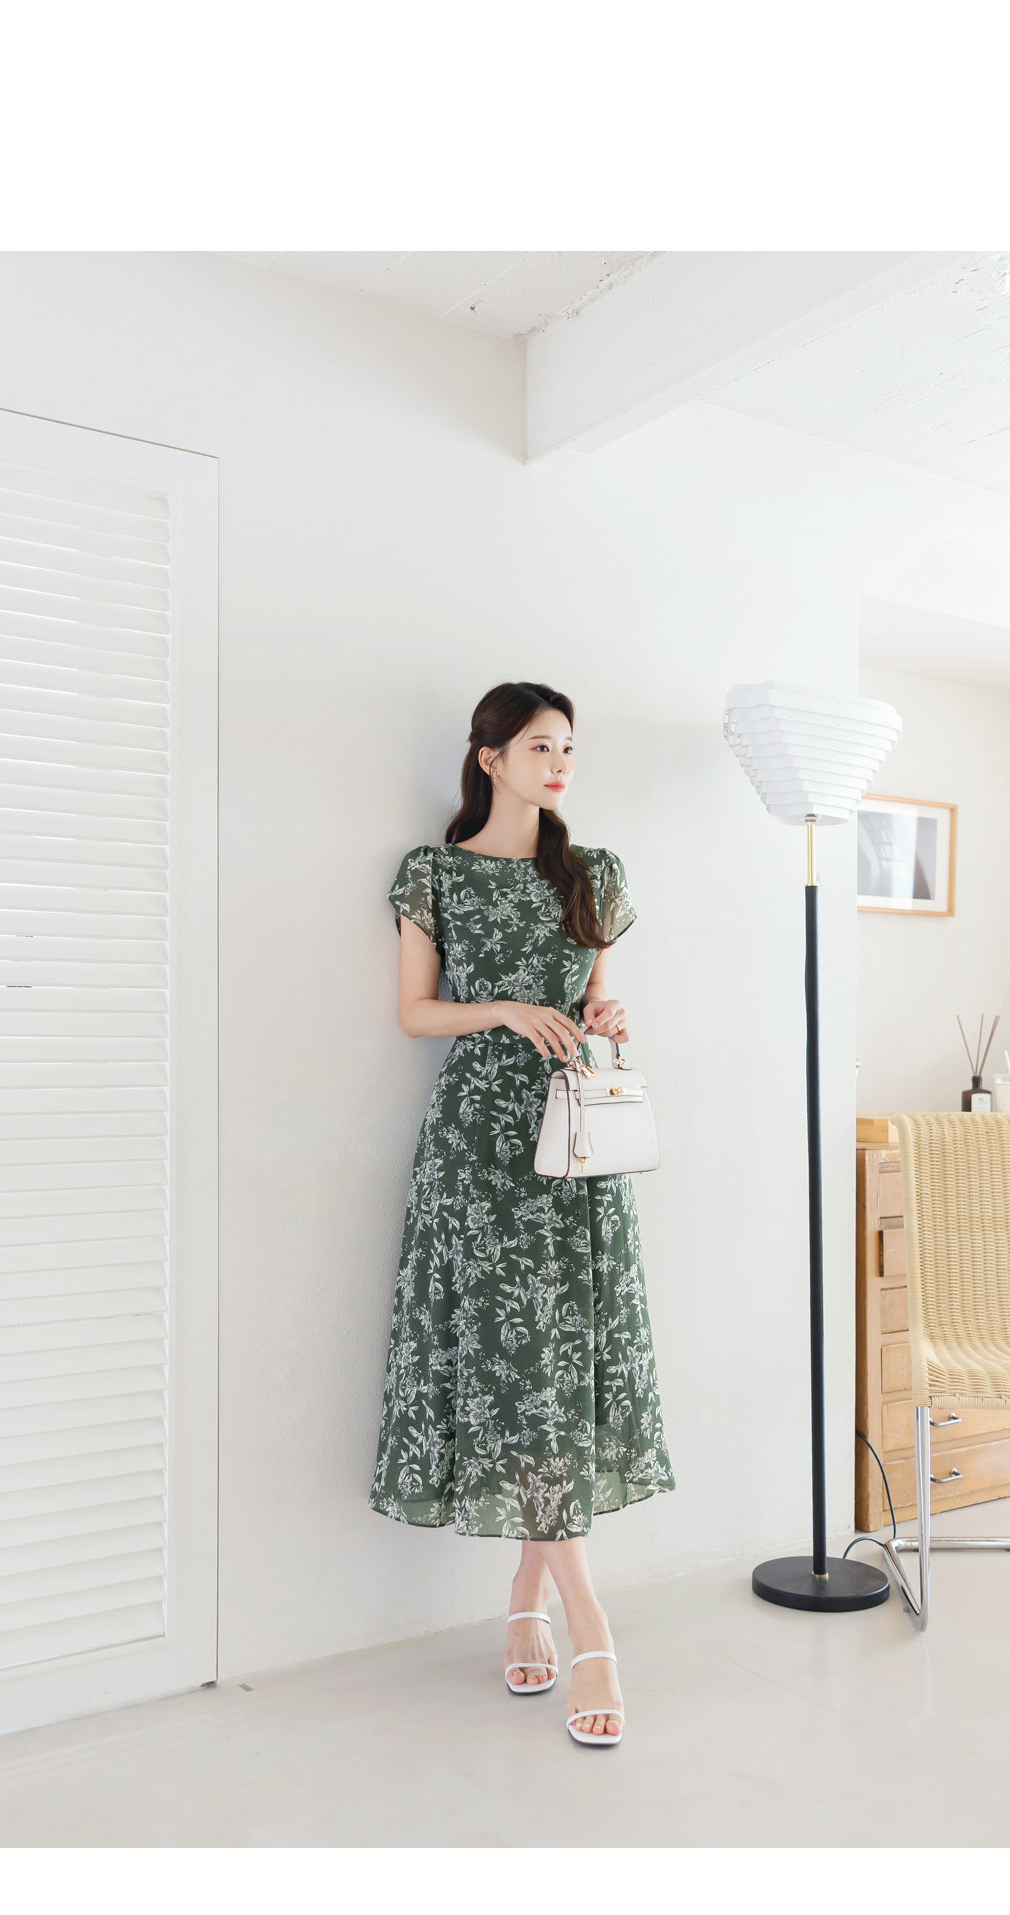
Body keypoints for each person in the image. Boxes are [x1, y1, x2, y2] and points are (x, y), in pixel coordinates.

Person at [370, 681, 674, 1746]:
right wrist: (502, 1007)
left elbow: (596, 1000)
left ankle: (527, 1597)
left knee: (559, 1367)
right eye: (542, 747)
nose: (561, 765)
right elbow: (414, 1013)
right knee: (513, 1368)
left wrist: (605, 1013)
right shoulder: (434, 872)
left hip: (575, 1138)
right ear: (490, 757)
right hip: (478, 1144)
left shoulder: (595, 874)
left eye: (570, 749)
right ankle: (587, 1620)